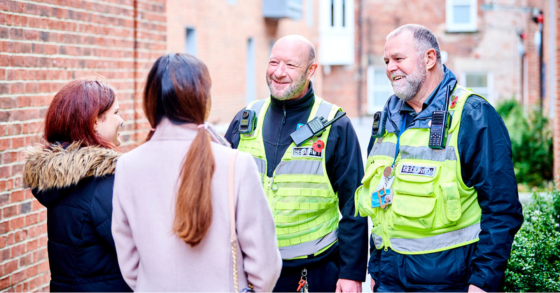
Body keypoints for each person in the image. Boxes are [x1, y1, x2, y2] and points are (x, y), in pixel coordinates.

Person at [355, 24, 524, 292]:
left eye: (399, 59)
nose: (389, 68)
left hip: (449, 284)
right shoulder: (385, 119)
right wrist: (376, 267)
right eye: (386, 61)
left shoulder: (473, 115)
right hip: (387, 280)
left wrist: (483, 282)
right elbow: (381, 203)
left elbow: (502, 209)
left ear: (429, 59)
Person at [111, 53, 282, 292]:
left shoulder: (128, 166)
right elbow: (265, 266)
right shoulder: (236, 163)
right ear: (203, 98)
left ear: (150, 100)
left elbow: (129, 265)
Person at [225, 35, 368, 292]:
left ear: (311, 70)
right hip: (251, 272)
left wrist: (351, 272)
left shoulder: (335, 125)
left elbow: (354, 204)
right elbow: (219, 191)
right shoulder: (246, 119)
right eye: (273, 62)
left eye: (290, 65)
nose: (279, 73)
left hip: (313, 273)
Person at [23, 80, 130, 292]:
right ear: (94, 123)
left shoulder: (64, 180)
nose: (122, 120)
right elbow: (137, 246)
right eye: (116, 112)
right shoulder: (99, 182)